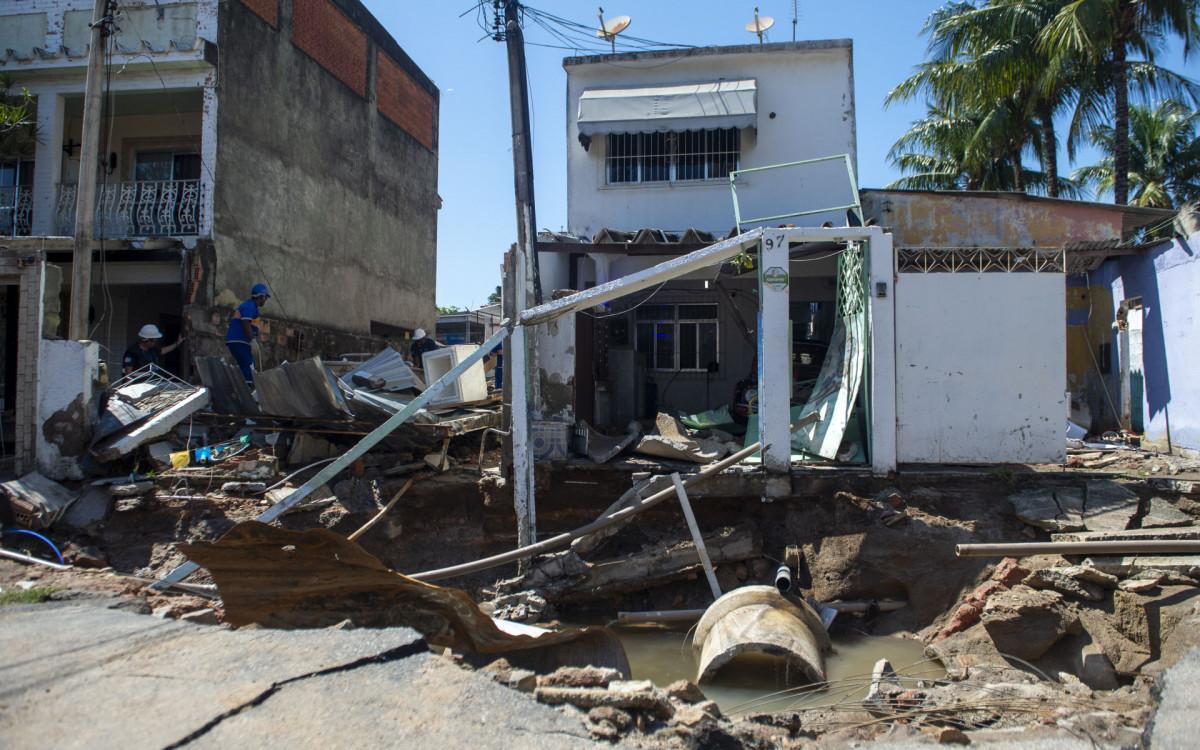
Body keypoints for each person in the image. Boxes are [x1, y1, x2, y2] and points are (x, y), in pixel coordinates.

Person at [226, 283, 269, 386]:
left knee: (246, 366)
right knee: (249, 366)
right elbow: (245, 323)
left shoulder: (252, 307)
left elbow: (252, 326)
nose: (265, 300)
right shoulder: (249, 306)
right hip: (240, 341)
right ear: (262, 297)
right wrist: (252, 340)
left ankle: (242, 388)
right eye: (265, 297)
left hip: (240, 341)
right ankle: (249, 391)